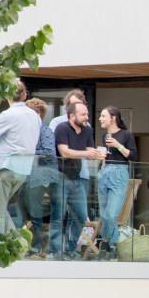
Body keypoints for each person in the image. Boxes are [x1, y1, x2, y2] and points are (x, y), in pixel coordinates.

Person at [0, 80, 41, 235]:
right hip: (24, 168)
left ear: (6, 96)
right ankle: (14, 241)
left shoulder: (7, 114)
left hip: (6, 165)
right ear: (24, 95)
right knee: (0, 207)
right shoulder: (34, 116)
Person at [53, 101, 100, 257]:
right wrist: (87, 154)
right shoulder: (62, 128)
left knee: (81, 215)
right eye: (83, 114)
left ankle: (71, 249)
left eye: (87, 114)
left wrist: (98, 154)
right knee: (58, 216)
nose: (87, 117)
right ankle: (56, 251)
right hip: (61, 176)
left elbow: (89, 150)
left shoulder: (87, 130)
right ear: (72, 115)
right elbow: (64, 152)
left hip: (77, 178)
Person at [23, 98, 63, 257]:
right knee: (33, 212)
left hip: (45, 176)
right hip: (32, 176)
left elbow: (48, 152)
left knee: (41, 212)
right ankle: (35, 246)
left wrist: (28, 152)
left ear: (38, 113)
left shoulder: (45, 130)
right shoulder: (28, 131)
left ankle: (44, 247)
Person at [96, 106, 138, 255]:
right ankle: (109, 245)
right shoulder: (104, 136)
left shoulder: (126, 135)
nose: (100, 118)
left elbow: (133, 156)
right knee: (104, 213)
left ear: (113, 118)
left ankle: (109, 243)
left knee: (110, 214)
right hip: (104, 171)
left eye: (103, 116)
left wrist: (118, 145)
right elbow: (106, 155)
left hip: (119, 172)